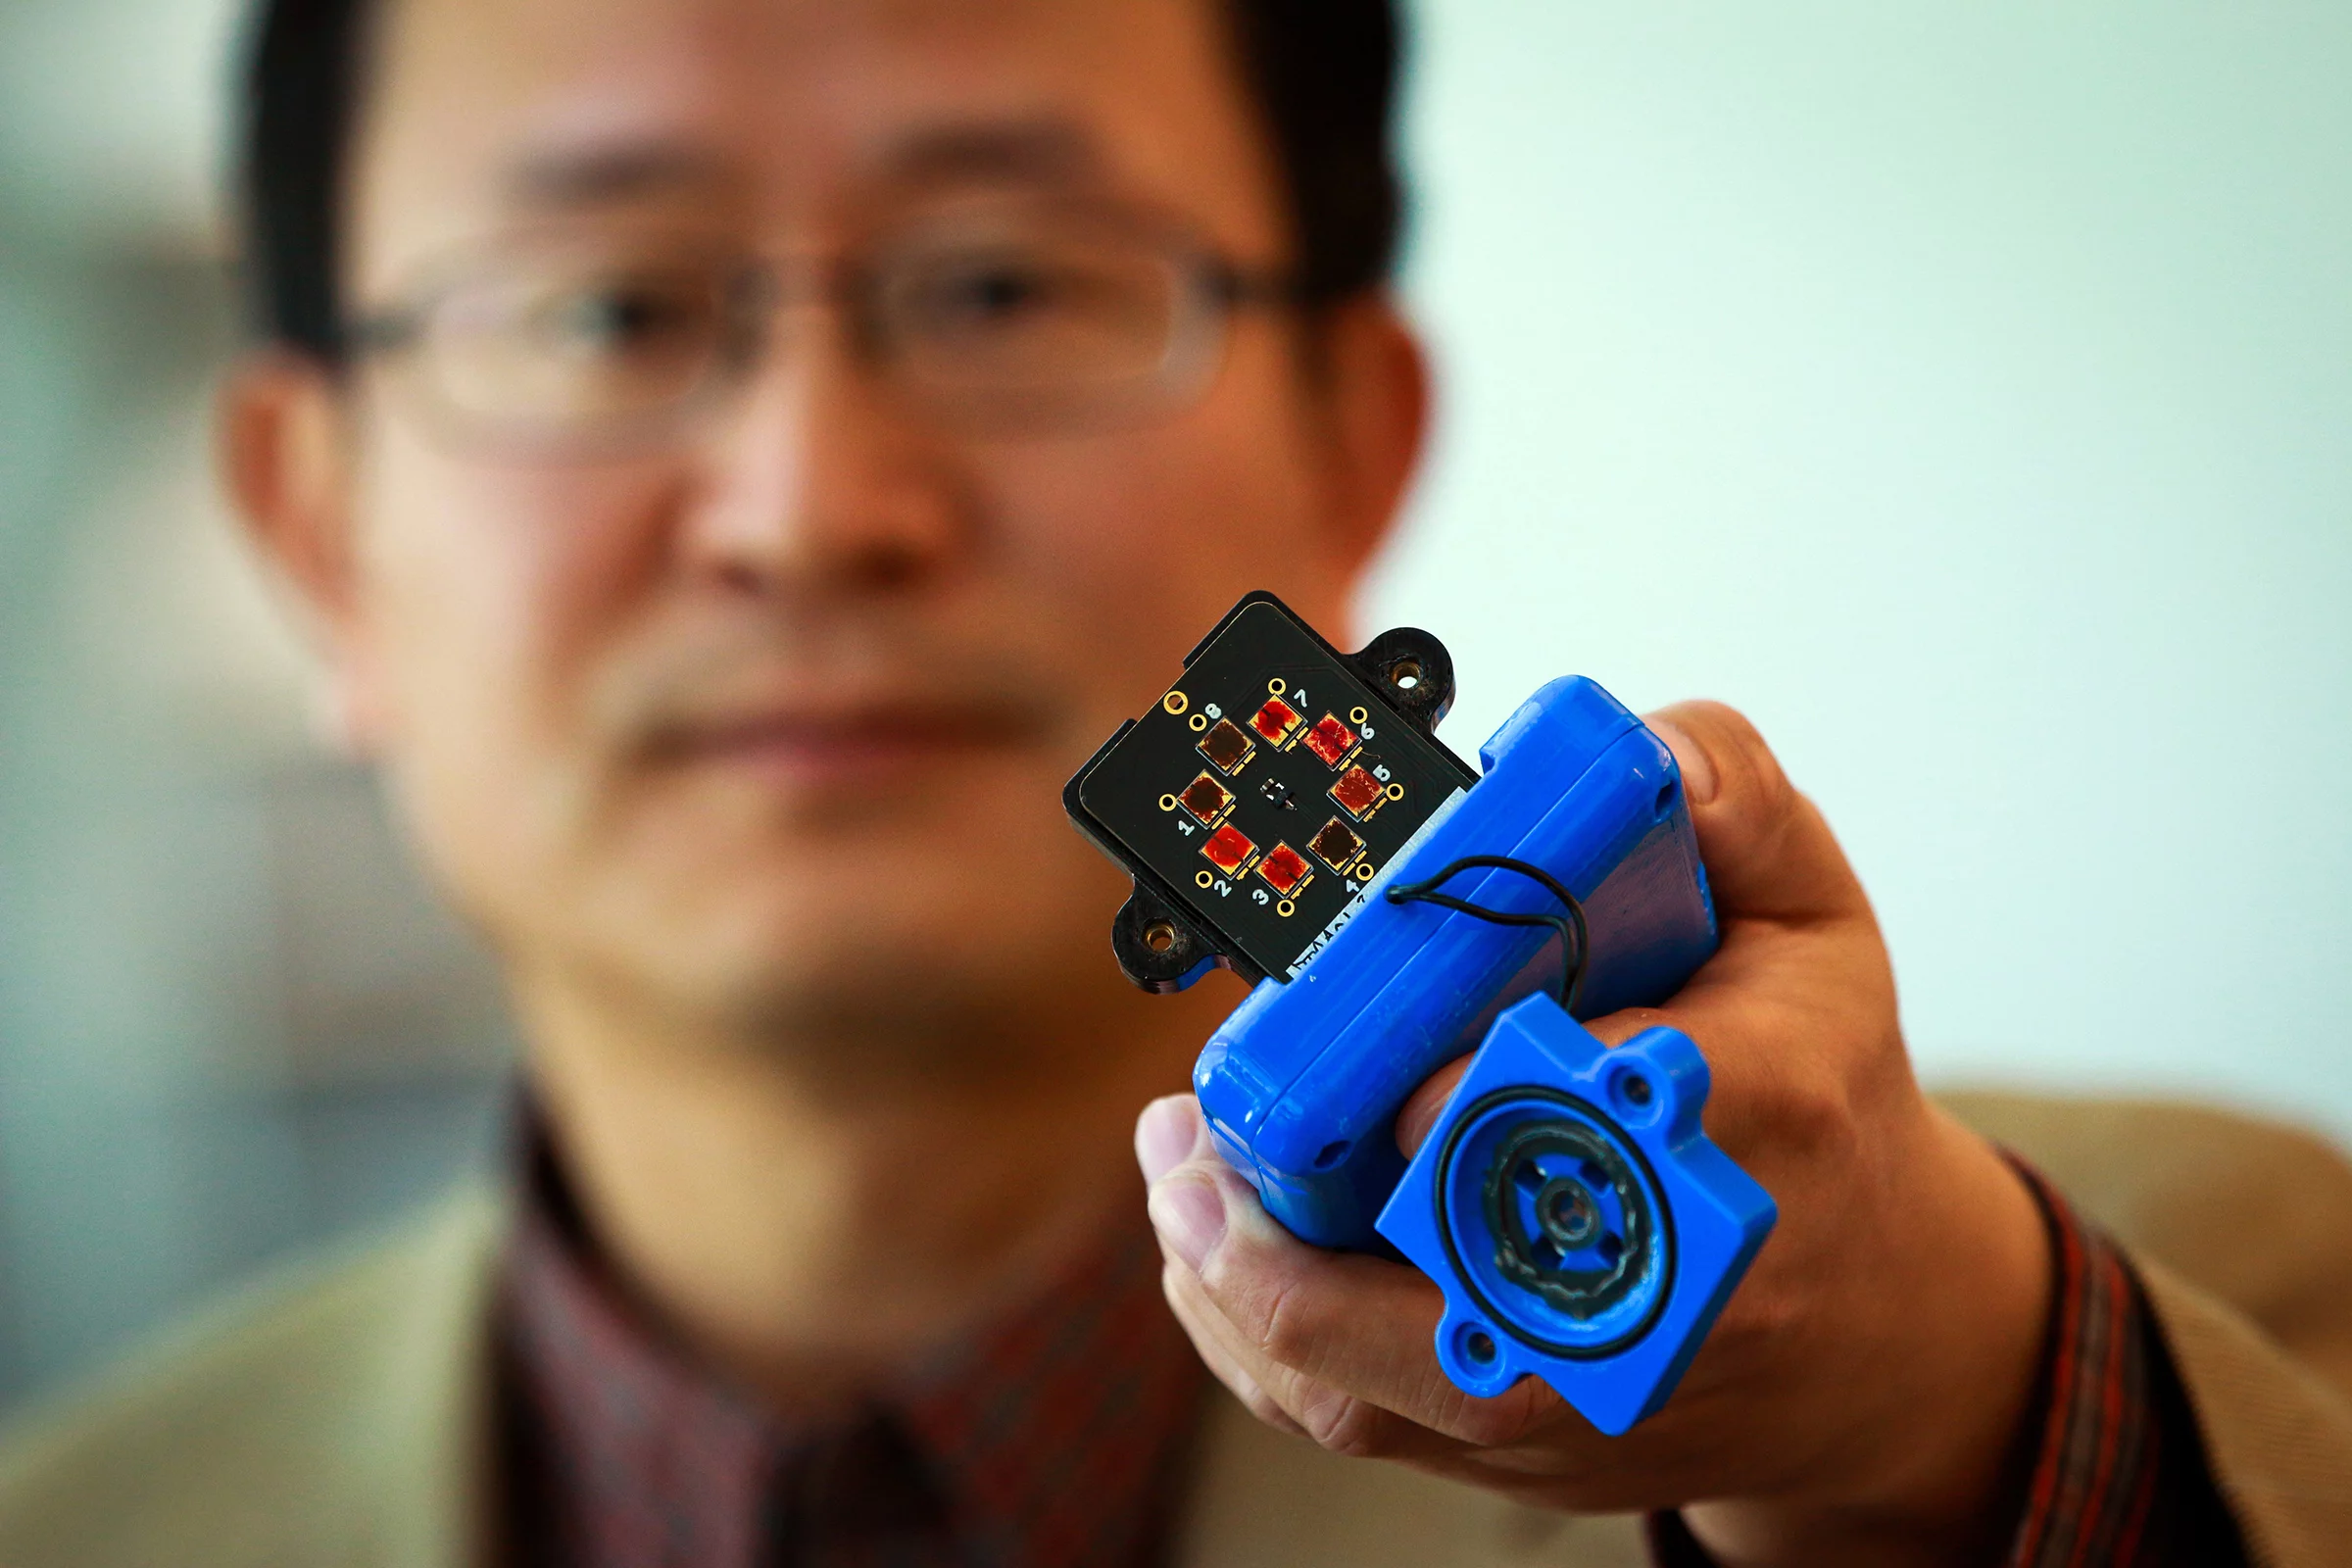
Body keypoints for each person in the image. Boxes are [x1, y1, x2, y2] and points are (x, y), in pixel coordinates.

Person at [3, 0, 2350, 1562]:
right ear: (315, 526)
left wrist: (1925, 1423)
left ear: (1358, 436)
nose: (813, 502)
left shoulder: (2162, 1311)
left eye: (1012, 286)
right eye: (603, 307)